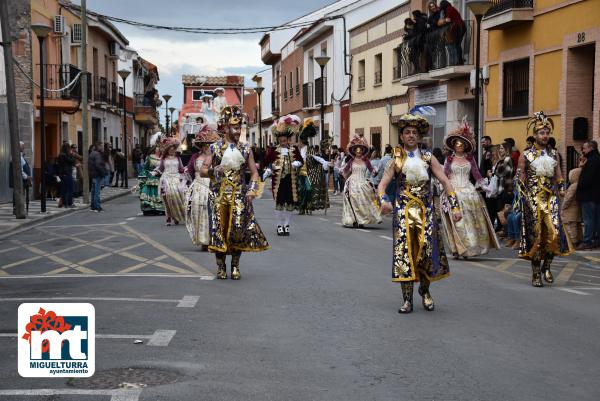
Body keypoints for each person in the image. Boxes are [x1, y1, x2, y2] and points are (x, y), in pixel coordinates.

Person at [378, 114, 461, 313]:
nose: (411, 135)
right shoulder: (396, 158)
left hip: (426, 213)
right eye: (407, 132)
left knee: (426, 254)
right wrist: (383, 200)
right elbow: (382, 184)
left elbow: (445, 181)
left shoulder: (427, 156)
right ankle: (407, 300)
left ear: (419, 136)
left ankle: (424, 291)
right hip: (403, 214)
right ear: (402, 136)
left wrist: (455, 206)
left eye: (415, 132)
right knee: (405, 255)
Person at [202, 106, 269, 280]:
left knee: (238, 231)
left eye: (240, 127)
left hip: (239, 196)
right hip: (218, 196)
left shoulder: (246, 149)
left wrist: (252, 190)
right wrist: (213, 171)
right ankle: (221, 266)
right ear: (225, 127)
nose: (238, 131)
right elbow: (202, 169)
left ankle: (235, 266)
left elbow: (254, 172)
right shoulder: (215, 148)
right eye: (235, 127)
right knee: (219, 231)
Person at [517, 112, 574, 287]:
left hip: (550, 198)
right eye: (542, 133)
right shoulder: (526, 155)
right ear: (535, 135)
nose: (545, 136)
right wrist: (522, 195)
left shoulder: (554, 153)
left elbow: (558, 175)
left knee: (554, 232)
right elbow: (520, 177)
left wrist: (562, 187)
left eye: (547, 133)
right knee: (537, 236)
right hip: (533, 199)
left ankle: (547, 266)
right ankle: (535, 273)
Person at [440, 120, 500, 258]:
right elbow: (445, 176)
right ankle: (457, 248)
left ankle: (469, 248)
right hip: (454, 192)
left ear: (466, 145)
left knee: (471, 222)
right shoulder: (449, 160)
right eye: (457, 144)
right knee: (458, 222)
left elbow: (477, 175)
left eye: (462, 144)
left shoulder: (470, 159)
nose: (459, 146)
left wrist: (485, 187)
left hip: (469, 192)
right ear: (453, 146)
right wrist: (443, 188)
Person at [261, 114, 304, 235]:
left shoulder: (294, 150)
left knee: (290, 203)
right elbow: (265, 162)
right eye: (281, 141)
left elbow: (301, 161)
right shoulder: (274, 150)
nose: (283, 142)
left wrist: (297, 163)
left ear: (288, 139)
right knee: (279, 203)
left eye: (284, 140)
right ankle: (279, 225)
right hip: (278, 181)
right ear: (278, 140)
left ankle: (286, 225)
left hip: (291, 180)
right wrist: (268, 169)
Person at [185, 126, 220, 250]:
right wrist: (190, 184)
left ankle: (212, 239)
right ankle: (203, 240)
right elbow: (188, 171)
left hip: (211, 186)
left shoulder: (216, 158)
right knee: (198, 212)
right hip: (199, 188)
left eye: (209, 145)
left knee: (212, 212)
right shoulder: (195, 156)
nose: (207, 147)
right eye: (205, 145)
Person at [341, 134, 382, 228]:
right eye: (357, 151)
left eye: (360, 151)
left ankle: (362, 220)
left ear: (362, 151)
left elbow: (372, 171)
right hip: (352, 183)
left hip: (363, 183)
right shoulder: (351, 161)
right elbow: (345, 171)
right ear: (354, 151)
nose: (358, 152)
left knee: (365, 200)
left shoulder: (366, 161)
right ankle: (354, 219)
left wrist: (376, 171)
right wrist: (342, 172)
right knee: (353, 199)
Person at [153, 137, 186, 226]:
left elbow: (181, 169)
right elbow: (160, 169)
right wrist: (155, 172)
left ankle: (176, 216)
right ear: (167, 150)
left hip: (176, 179)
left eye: (173, 149)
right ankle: (168, 217)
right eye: (170, 149)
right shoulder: (163, 159)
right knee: (167, 198)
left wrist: (186, 171)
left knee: (177, 197)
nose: (172, 151)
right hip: (166, 180)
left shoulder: (178, 158)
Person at [576, 140, 600, 249]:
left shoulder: (591, 161)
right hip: (596, 195)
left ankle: (587, 241)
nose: (583, 150)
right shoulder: (596, 159)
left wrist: (579, 185)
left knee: (588, 219)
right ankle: (596, 239)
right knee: (596, 219)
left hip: (588, 195)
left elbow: (587, 179)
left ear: (591, 148)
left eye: (585, 148)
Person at [138, 144, 164, 215]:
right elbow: (145, 168)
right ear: (154, 150)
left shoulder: (163, 158)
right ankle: (149, 209)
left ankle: (160, 209)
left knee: (160, 193)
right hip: (151, 178)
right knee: (150, 192)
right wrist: (145, 175)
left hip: (161, 178)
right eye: (157, 149)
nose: (158, 150)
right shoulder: (150, 158)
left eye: (160, 149)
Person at [438, 0, 466, 65]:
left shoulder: (449, 8)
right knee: (457, 45)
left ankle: (458, 61)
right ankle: (459, 61)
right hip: (459, 27)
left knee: (456, 44)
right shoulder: (449, 8)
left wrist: (443, 21)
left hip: (458, 27)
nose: (440, 7)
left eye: (441, 5)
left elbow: (448, 19)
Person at [562, 165, 583, 247]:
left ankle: (573, 241)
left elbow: (568, 198)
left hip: (570, 209)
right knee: (578, 225)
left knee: (571, 226)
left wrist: (564, 206)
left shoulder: (573, 186)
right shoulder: (578, 184)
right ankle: (580, 239)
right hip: (576, 208)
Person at [9, 141, 31, 214]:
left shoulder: (20, 155)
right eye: (22, 146)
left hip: (23, 179)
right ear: (18, 146)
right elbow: (19, 169)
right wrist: (26, 176)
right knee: (17, 194)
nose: (24, 147)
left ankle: (19, 208)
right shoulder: (16, 155)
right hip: (20, 179)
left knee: (20, 194)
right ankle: (17, 208)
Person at [88, 141, 107, 212]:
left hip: (93, 175)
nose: (102, 147)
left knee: (93, 191)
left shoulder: (92, 153)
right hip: (97, 175)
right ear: (98, 146)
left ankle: (93, 206)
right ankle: (97, 207)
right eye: (101, 146)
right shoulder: (97, 154)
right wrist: (103, 173)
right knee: (97, 192)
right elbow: (98, 165)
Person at [56, 142, 76, 208]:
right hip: (67, 173)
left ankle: (64, 203)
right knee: (70, 189)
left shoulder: (60, 155)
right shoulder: (64, 155)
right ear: (67, 148)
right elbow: (71, 161)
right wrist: (72, 155)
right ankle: (68, 203)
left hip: (62, 174)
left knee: (63, 189)